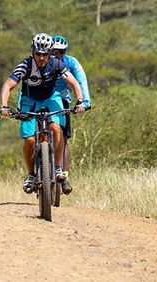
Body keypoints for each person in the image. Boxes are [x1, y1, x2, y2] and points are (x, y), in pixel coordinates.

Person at [0, 33, 86, 194]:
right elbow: (8, 86)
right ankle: (31, 175)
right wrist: (4, 106)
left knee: (56, 127)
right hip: (30, 100)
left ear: (49, 53)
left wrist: (80, 101)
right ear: (33, 52)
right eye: (38, 53)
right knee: (30, 140)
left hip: (51, 98)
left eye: (45, 54)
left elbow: (74, 82)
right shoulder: (25, 65)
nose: (41, 57)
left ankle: (58, 168)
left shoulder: (56, 64)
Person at [50, 34, 91, 195]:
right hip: (41, 99)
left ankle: (64, 176)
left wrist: (84, 101)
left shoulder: (71, 62)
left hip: (63, 101)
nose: (58, 55)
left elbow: (81, 81)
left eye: (61, 52)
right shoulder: (42, 62)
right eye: (55, 51)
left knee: (63, 138)